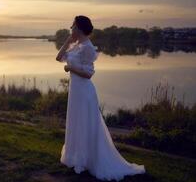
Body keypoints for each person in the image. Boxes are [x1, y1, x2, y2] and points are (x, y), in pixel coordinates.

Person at [56, 15, 146, 181]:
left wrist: (71, 68)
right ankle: (76, 157)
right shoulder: (75, 45)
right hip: (75, 92)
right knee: (76, 122)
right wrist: (68, 39)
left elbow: (89, 74)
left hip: (84, 92)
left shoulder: (88, 48)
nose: (71, 28)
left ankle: (88, 160)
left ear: (80, 28)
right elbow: (58, 57)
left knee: (86, 124)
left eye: (73, 26)